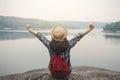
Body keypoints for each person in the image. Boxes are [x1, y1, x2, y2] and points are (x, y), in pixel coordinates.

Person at [26, 24, 94, 78]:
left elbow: (39, 36)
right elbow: (78, 36)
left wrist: (29, 29)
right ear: (64, 35)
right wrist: (90, 29)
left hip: (53, 73)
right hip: (66, 73)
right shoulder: (68, 45)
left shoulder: (49, 45)